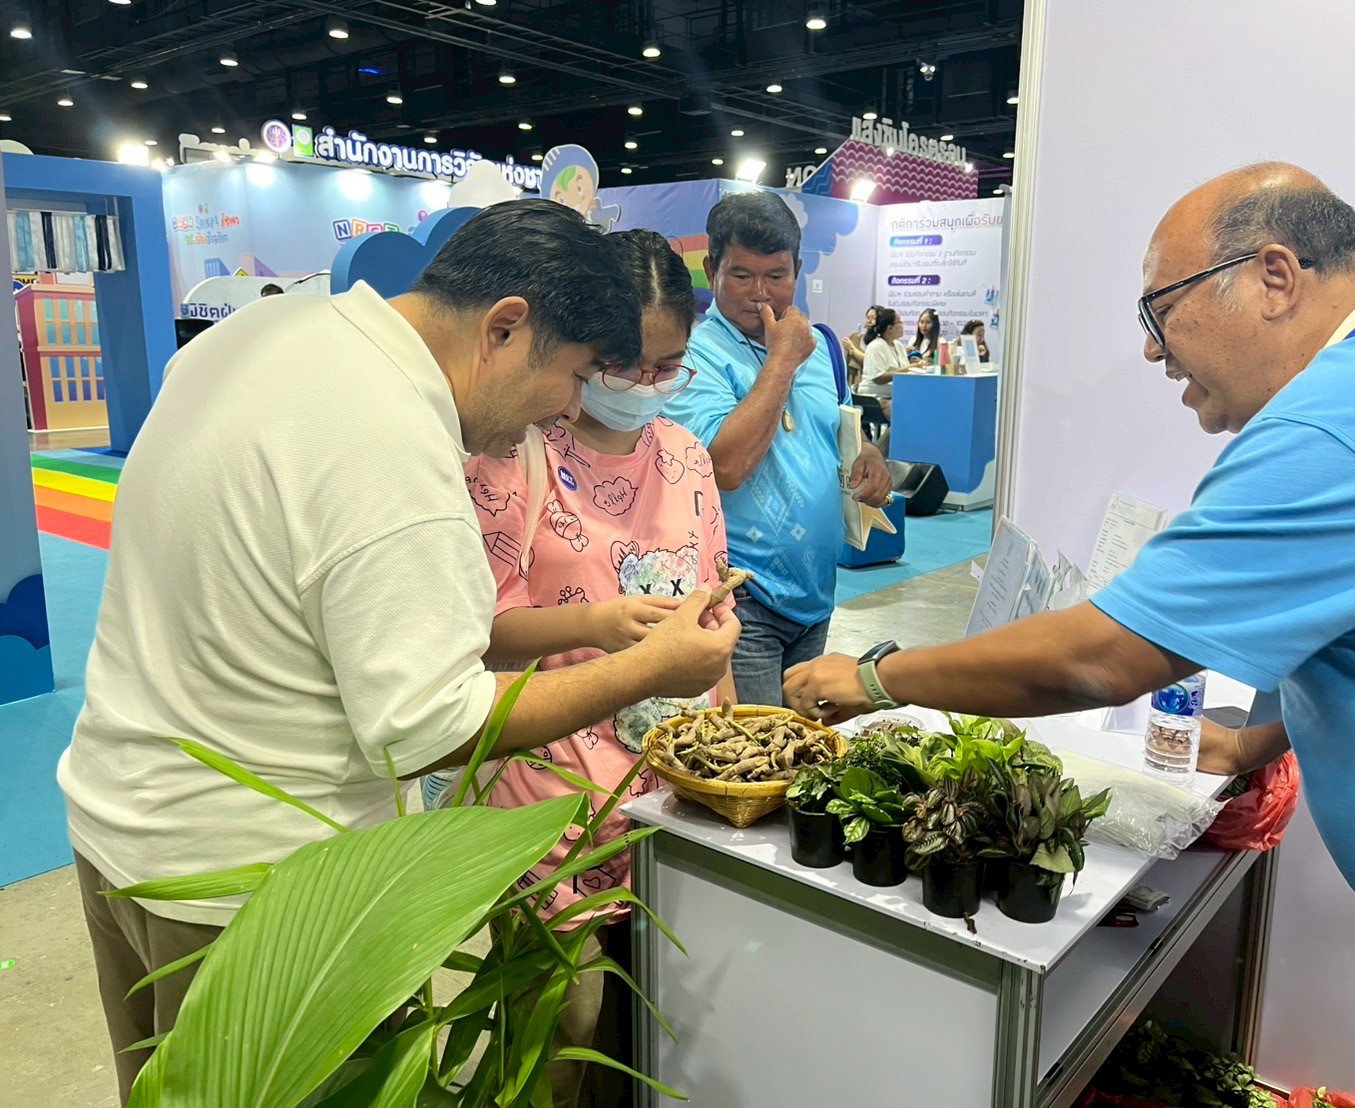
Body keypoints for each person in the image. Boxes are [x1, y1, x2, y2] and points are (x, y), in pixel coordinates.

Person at [783, 163, 1355, 1108]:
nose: (1153, 350)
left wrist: (875, 676)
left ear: (1273, 277)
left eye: (1161, 310)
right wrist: (1261, 740)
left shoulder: (1336, 430)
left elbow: (1100, 655)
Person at [57, 201, 739, 1104]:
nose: (570, 408)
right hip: (253, 887)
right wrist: (648, 670)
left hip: (118, 819)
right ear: (504, 327)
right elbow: (426, 726)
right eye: (575, 374)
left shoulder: (262, 334)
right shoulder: (392, 443)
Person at [465, 229, 735, 1107]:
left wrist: (725, 737)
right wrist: (596, 623)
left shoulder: (685, 456)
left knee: (657, 1031)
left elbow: (712, 603)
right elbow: (481, 632)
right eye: (625, 365)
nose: (645, 385)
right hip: (548, 808)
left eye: (669, 366)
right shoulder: (511, 453)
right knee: (561, 1034)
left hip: (670, 801)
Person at [662, 189, 892, 707]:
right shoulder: (694, 356)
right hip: (742, 595)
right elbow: (725, 466)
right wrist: (782, 361)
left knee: (803, 740)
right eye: (741, 276)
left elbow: (842, 424)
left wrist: (869, 454)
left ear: (798, 270)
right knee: (756, 747)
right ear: (711, 269)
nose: (760, 294)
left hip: (818, 589)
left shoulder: (821, 345)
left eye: (777, 276)